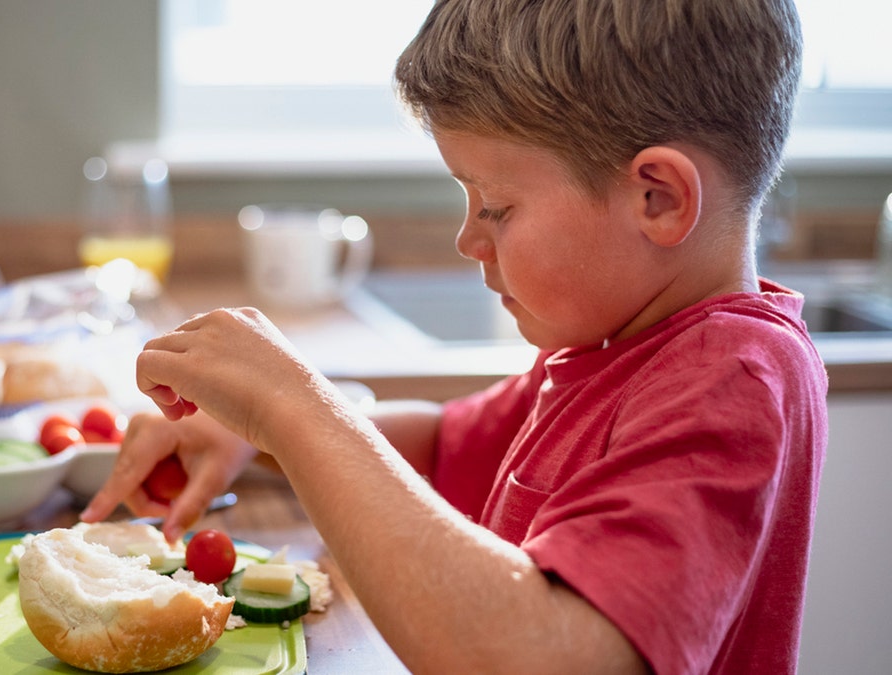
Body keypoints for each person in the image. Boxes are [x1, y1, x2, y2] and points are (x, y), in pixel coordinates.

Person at [81, 0, 827, 672]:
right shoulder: (611, 350)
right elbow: (442, 446)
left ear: (657, 198)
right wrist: (253, 435)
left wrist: (293, 406)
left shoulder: (729, 377)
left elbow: (547, 654)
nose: (469, 238)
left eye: (496, 206)